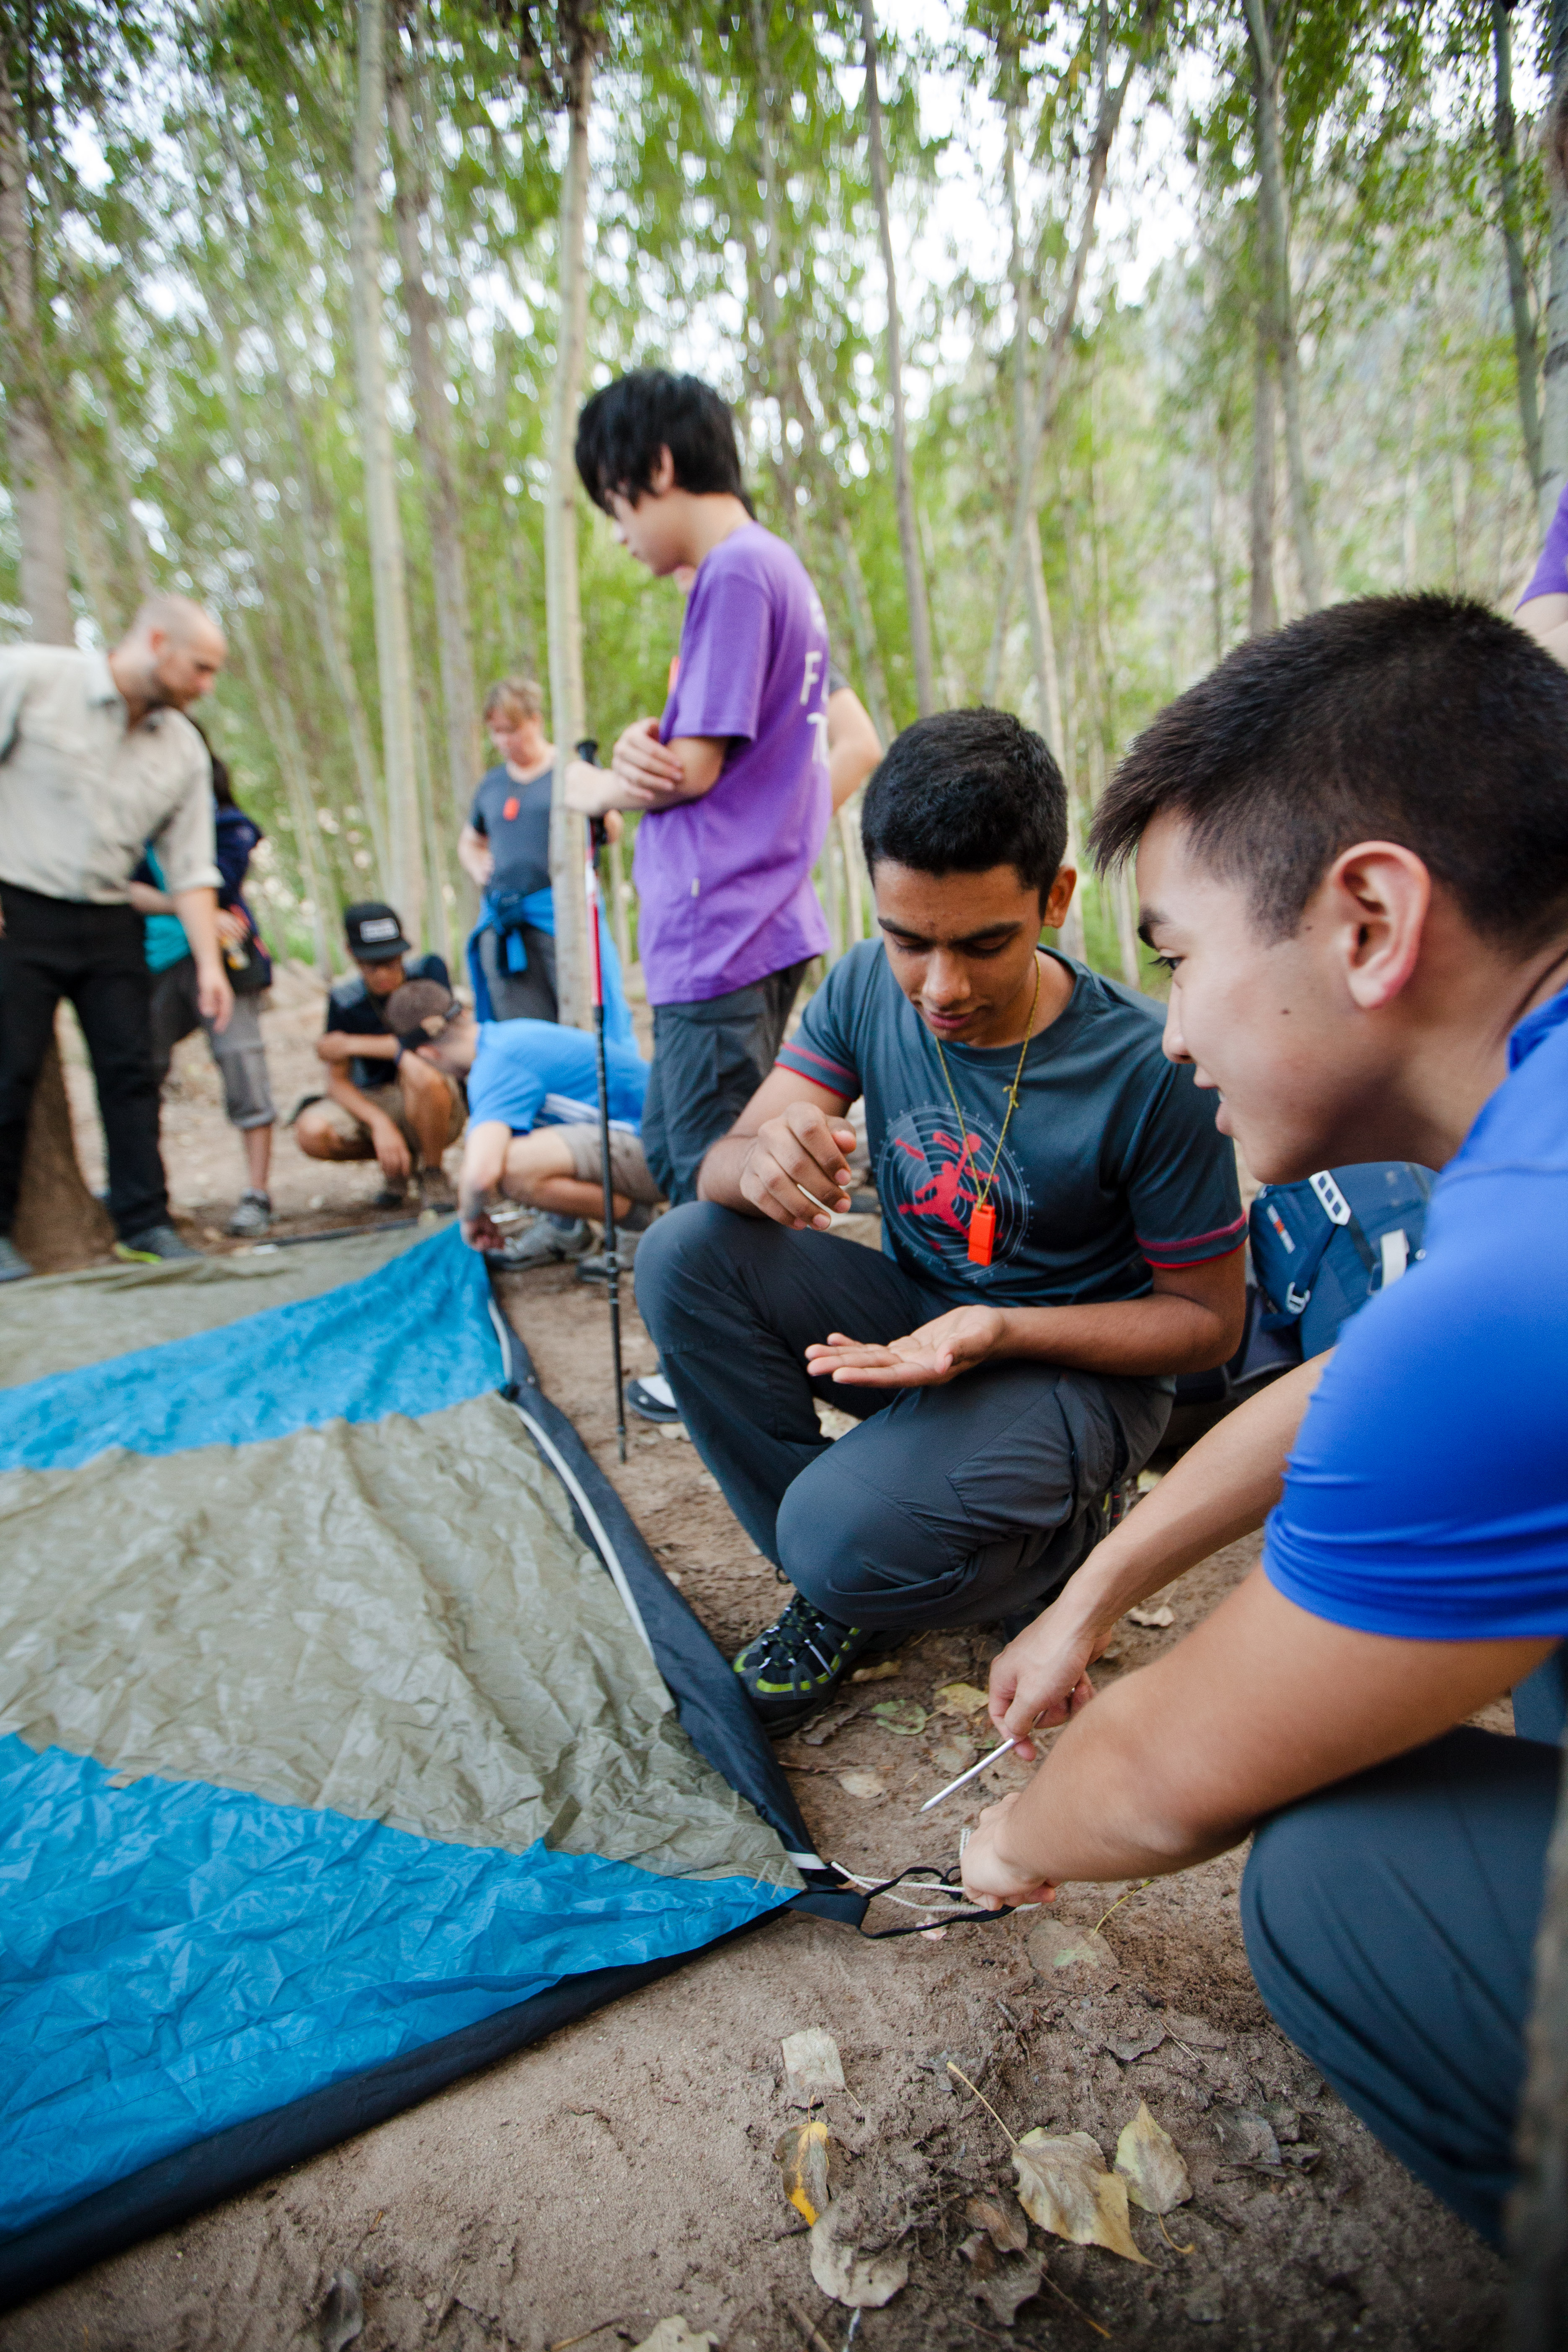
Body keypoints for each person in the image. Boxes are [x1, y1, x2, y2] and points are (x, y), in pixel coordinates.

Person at [958, 593, 1568, 2253]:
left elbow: (1159, 1784)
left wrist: (1013, 1836)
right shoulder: (1533, 1149)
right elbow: (1359, 1383)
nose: (1171, 1029)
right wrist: (1092, 1591)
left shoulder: (1525, 1287)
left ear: (1370, 918)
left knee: (1337, 1881)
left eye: (1181, 955)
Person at [632, 707, 1246, 1733]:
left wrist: (998, 1328)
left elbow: (1204, 1326)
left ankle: (1049, 1540)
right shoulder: (868, 986)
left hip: (1075, 1370)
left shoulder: (1147, 1066)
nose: (940, 986)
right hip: (917, 1320)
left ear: (1053, 898)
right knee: (683, 1254)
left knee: (836, 1534)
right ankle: (843, 1579)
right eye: (907, 939)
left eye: (981, 944)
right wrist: (760, 1165)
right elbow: (721, 1167)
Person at [564, 370, 833, 1222]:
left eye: (616, 502)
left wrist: (590, 785)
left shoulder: (738, 572)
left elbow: (696, 770)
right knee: (685, 1154)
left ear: (662, 465)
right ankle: (713, 1352)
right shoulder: (772, 568)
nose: (618, 534)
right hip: (749, 921)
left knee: (711, 1179)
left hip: (722, 926)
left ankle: (732, 1355)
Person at [0, 592, 232, 1276]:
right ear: (156, 642)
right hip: (19, 908)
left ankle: (144, 1222)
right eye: (200, 668)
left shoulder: (183, 747)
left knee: (131, 1072)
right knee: (8, 1072)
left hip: (109, 917)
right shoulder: (35, 678)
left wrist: (210, 965)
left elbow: (192, 868)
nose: (206, 686)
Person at [384, 977, 652, 1255]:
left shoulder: (495, 1065)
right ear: (463, 1013)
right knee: (511, 1145)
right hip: (652, 1141)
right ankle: (565, 1229)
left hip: (661, 1153)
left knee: (510, 1167)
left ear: (428, 1053)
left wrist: (470, 1217)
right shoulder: (508, 1036)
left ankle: (638, 1227)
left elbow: (481, 1174)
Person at [131, 740, 277, 1237]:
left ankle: (257, 1192)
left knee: (243, 1065)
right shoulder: (132, 827)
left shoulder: (228, 827)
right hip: (152, 961)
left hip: (227, 963)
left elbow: (221, 882)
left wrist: (196, 905)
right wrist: (190, 909)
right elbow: (125, 888)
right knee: (137, 1074)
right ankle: (145, 1197)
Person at [294, 903, 463, 1208]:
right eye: (372, 964)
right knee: (311, 1131)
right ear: (352, 955)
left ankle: (433, 1171)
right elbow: (336, 1082)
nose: (384, 973)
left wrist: (351, 1044)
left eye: (392, 960)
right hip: (377, 1099)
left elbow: (435, 1040)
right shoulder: (345, 1001)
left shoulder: (428, 974)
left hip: (437, 1098)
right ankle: (399, 1164)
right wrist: (378, 1123)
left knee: (417, 1066)